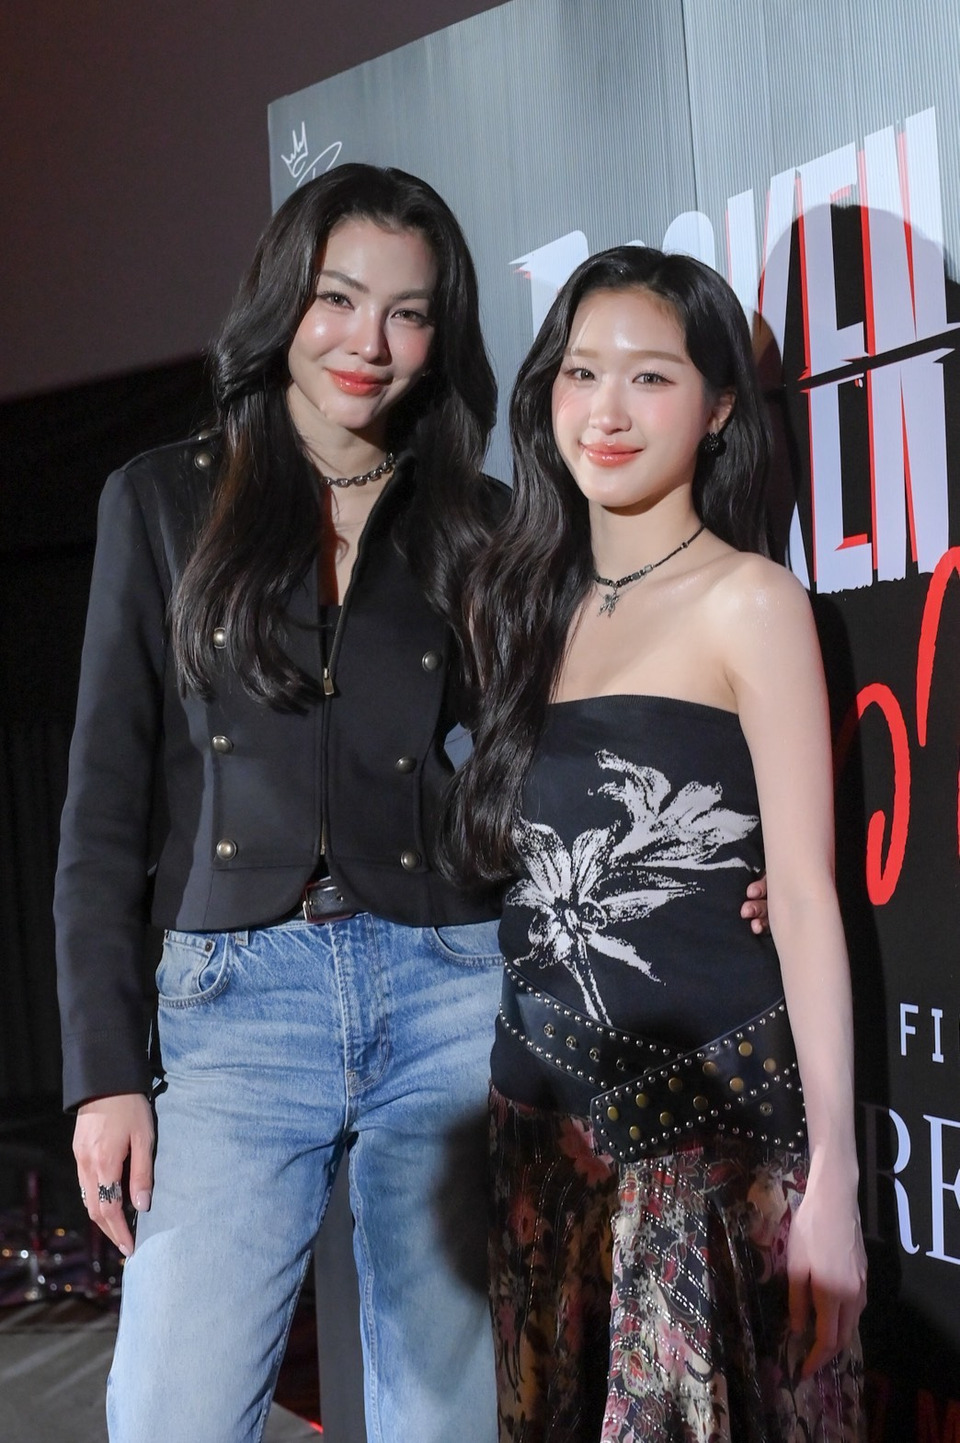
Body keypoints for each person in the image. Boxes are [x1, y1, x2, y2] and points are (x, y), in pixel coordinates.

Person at [54, 163, 509, 1443]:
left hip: (447, 992)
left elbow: (543, 765)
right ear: (282, 303)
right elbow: (100, 809)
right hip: (233, 1009)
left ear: (440, 337)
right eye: (338, 299)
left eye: (408, 313)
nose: (370, 342)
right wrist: (103, 1074)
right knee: (172, 1415)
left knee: (448, 1422)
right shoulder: (161, 500)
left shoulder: (478, 523)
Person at [446, 245, 866, 1441]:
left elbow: (803, 896)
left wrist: (835, 1176)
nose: (608, 411)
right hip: (537, 1143)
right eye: (581, 373)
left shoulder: (752, 602)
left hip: (703, 1146)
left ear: (720, 405)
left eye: (650, 377)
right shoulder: (516, 602)